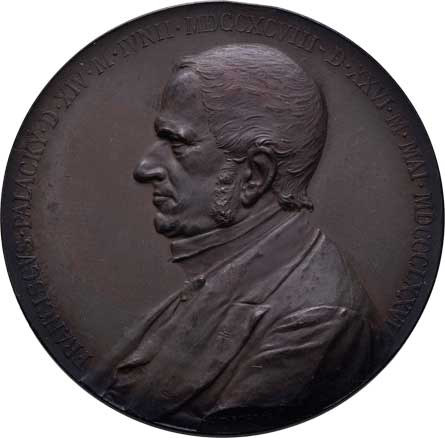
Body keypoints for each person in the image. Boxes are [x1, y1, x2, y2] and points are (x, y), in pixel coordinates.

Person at [84, 44, 381, 433]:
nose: (146, 167)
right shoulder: (224, 278)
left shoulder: (319, 322)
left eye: (177, 143)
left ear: (255, 175)